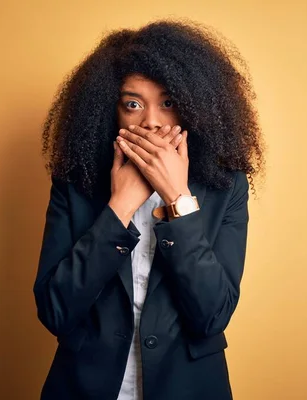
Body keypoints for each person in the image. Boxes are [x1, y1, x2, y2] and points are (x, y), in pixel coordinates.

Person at [34, 19, 265, 400]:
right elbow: (55, 310)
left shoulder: (226, 186)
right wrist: (119, 206)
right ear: (111, 111)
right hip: (84, 387)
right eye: (133, 104)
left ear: (195, 107)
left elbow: (212, 316)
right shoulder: (75, 183)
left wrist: (178, 197)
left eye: (168, 103)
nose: (152, 121)